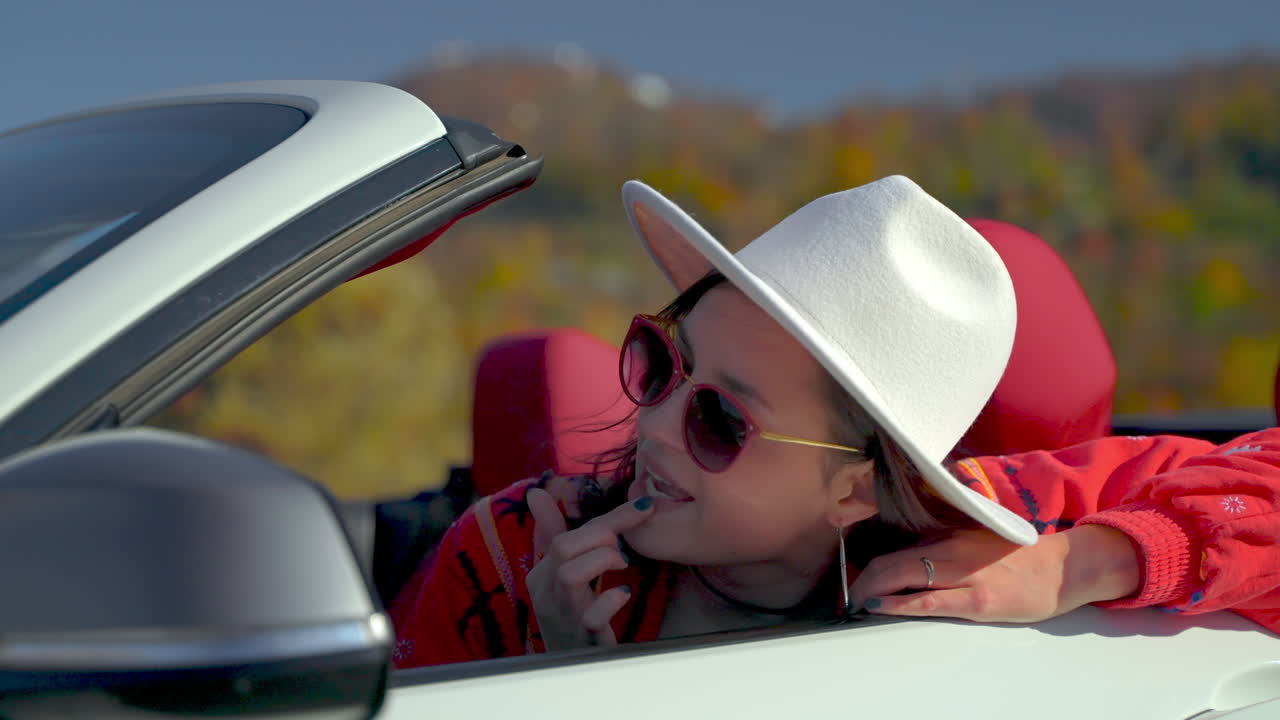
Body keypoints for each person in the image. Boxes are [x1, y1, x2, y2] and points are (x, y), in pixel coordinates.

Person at [391, 176, 1280, 667]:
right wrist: (552, 676)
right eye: (663, 361)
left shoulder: (988, 536)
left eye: (720, 421)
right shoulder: (514, 555)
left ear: (857, 487)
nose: (655, 424)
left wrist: (1078, 566)